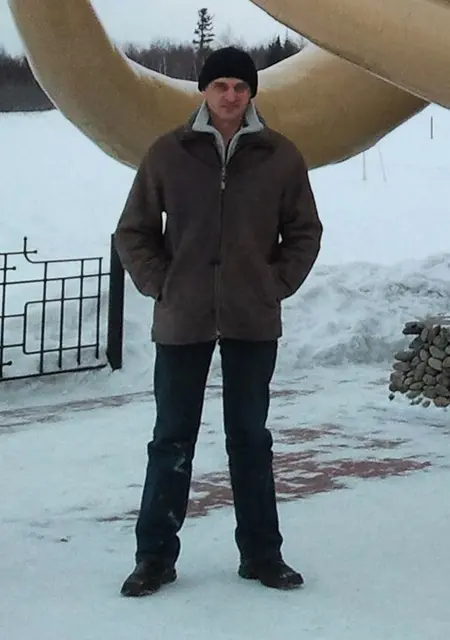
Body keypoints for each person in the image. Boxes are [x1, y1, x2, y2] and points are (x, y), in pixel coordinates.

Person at [114, 46, 323, 597]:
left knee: (250, 439)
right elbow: (133, 231)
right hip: (182, 320)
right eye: (221, 85)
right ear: (204, 90)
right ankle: (154, 557)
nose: (230, 96)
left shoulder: (280, 156)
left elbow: (304, 231)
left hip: (252, 320)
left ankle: (262, 554)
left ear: (252, 93)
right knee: (171, 439)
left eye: (240, 86)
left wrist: (273, 284)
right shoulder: (169, 153)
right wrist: (163, 284)